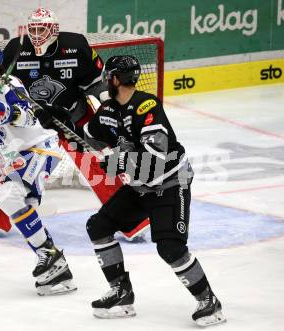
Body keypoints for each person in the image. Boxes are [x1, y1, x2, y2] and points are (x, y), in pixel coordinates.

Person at [83, 55, 226, 326]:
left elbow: (154, 164)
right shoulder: (109, 110)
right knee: (98, 226)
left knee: (170, 248)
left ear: (114, 79)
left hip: (170, 183)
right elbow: (89, 134)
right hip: (140, 186)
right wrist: (56, 120)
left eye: (107, 77)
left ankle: (209, 300)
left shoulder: (147, 107)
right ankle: (121, 293)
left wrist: (114, 161)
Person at [0, 6, 150, 241]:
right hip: (29, 123)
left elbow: (97, 85)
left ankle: (131, 219)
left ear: (54, 31)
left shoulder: (76, 46)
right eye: (33, 28)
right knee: (13, 163)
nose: (37, 34)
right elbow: (1, 88)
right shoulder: (15, 49)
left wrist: (108, 107)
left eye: (43, 28)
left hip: (72, 117)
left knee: (98, 163)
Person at [0, 41, 77, 296]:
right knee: (17, 203)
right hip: (15, 154)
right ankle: (56, 267)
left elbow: (27, 114)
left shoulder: (11, 86)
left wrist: (1, 113)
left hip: (40, 147)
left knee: (10, 195)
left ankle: (50, 256)